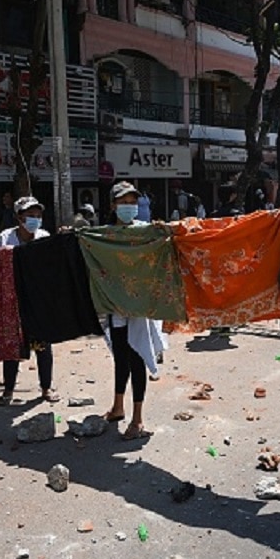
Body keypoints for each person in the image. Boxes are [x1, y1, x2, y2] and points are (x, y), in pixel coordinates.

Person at [102, 181, 165, 440]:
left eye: (132, 202)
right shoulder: (103, 235)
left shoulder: (144, 231)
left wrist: (163, 231)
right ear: (113, 205)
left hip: (139, 307)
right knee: (120, 359)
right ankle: (118, 407)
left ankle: (137, 419)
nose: (128, 207)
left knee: (137, 357)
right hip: (115, 307)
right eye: (123, 202)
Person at [0, 196, 59, 403]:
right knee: (11, 347)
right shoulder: (4, 239)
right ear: (19, 217)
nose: (35, 219)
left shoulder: (44, 236)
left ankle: (46, 388)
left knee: (43, 346)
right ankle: (8, 391)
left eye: (38, 216)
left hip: (38, 301)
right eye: (30, 215)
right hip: (12, 300)